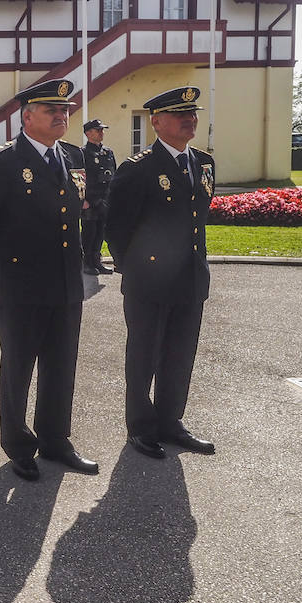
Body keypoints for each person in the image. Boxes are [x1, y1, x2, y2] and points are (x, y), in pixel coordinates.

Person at [0, 77, 98, 482]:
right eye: (51, 110)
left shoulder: (74, 156)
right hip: (21, 284)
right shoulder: (2, 161)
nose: (62, 115)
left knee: (62, 366)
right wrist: (3, 271)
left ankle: (56, 440)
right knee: (18, 368)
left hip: (65, 283)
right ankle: (19, 445)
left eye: (64, 110)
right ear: (27, 117)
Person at [105, 86, 217, 459]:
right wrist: (134, 269)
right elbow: (116, 228)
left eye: (193, 114)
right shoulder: (138, 169)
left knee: (180, 354)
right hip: (148, 282)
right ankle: (141, 427)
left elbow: (197, 219)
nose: (190, 120)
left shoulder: (203, 163)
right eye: (180, 114)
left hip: (190, 277)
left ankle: (171, 421)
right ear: (156, 122)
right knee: (144, 356)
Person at [80, 119, 117, 275]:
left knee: (101, 231)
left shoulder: (107, 152)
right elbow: (79, 178)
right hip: (90, 199)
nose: (101, 133)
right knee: (89, 232)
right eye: (98, 130)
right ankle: (87, 263)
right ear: (88, 133)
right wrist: (84, 200)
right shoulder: (82, 153)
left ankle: (97, 261)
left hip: (105, 199)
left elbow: (114, 174)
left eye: (102, 130)